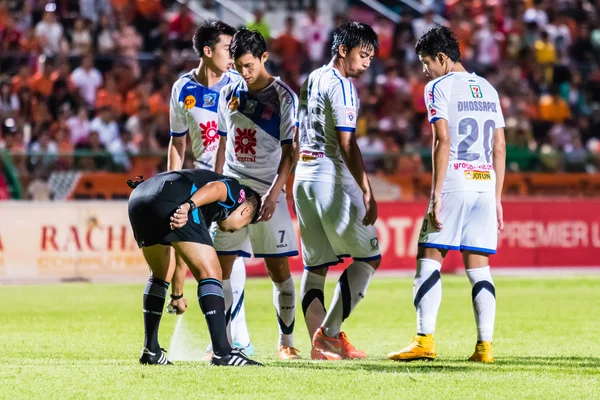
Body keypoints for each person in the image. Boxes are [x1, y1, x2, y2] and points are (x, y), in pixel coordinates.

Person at [387, 25, 506, 363]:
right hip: (484, 182)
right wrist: (496, 196)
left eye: (427, 62)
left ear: (442, 57)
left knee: (428, 259)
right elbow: (499, 145)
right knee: (479, 267)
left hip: (455, 181)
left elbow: (443, 140)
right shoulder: (488, 87)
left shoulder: (437, 87)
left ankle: (424, 340)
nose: (425, 70)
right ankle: (485, 348)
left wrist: (436, 193)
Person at [294, 21, 381, 360]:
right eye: (363, 54)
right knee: (370, 256)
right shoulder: (342, 86)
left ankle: (320, 346)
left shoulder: (311, 78)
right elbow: (346, 144)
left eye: (371, 57)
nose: (367, 62)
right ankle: (328, 334)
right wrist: (366, 189)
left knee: (316, 266)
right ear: (343, 51)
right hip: (328, 178)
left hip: (304, 175)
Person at [167, 20, 254, 355]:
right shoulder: (182, 89)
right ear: (207, 51)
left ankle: (236, 337)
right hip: (196, 184)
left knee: (227, 257)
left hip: (232, 180)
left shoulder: (238, 85)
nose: (232, 57)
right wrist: (171, 182)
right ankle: (229, 337)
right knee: (206, 259)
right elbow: (177, 143)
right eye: (226, 50)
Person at [214, 28, 300, 360]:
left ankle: (286, 342)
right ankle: (227, 342)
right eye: (238, 66)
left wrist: (275, 194)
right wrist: (219, 184)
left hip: (268, 190)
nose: (244, 73)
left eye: (249, 65)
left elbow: (290, 153)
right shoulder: (230, 92)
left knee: (279, 271)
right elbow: (222, 142)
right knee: (220, 268)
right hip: (234, 188)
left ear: (264, 58)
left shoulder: (283, 97)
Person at [128, 169, 262, 367]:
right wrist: (188, 206)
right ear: (246, 211)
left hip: (139, 197)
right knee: (212, 273)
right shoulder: (238, 193)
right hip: (172, 195)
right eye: (244, 224)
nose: (237, 230)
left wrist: (177, 295)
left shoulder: (206, 212)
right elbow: (216, 188)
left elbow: (183, 252)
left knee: (160, 273)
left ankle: (151, 351)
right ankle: (223, 354)